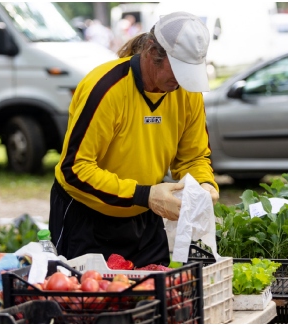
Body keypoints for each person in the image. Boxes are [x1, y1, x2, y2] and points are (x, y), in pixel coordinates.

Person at [50, 12, 219, 268]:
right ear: (152, 53)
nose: (182, 81)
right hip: (88, 217)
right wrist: (144, 195)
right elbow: (74, 169)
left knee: (156, 301)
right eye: (177, 70)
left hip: (146, 215)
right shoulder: (106, 88)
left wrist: (204, 184)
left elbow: (194, 156)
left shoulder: (185, 91)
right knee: (91, 304)